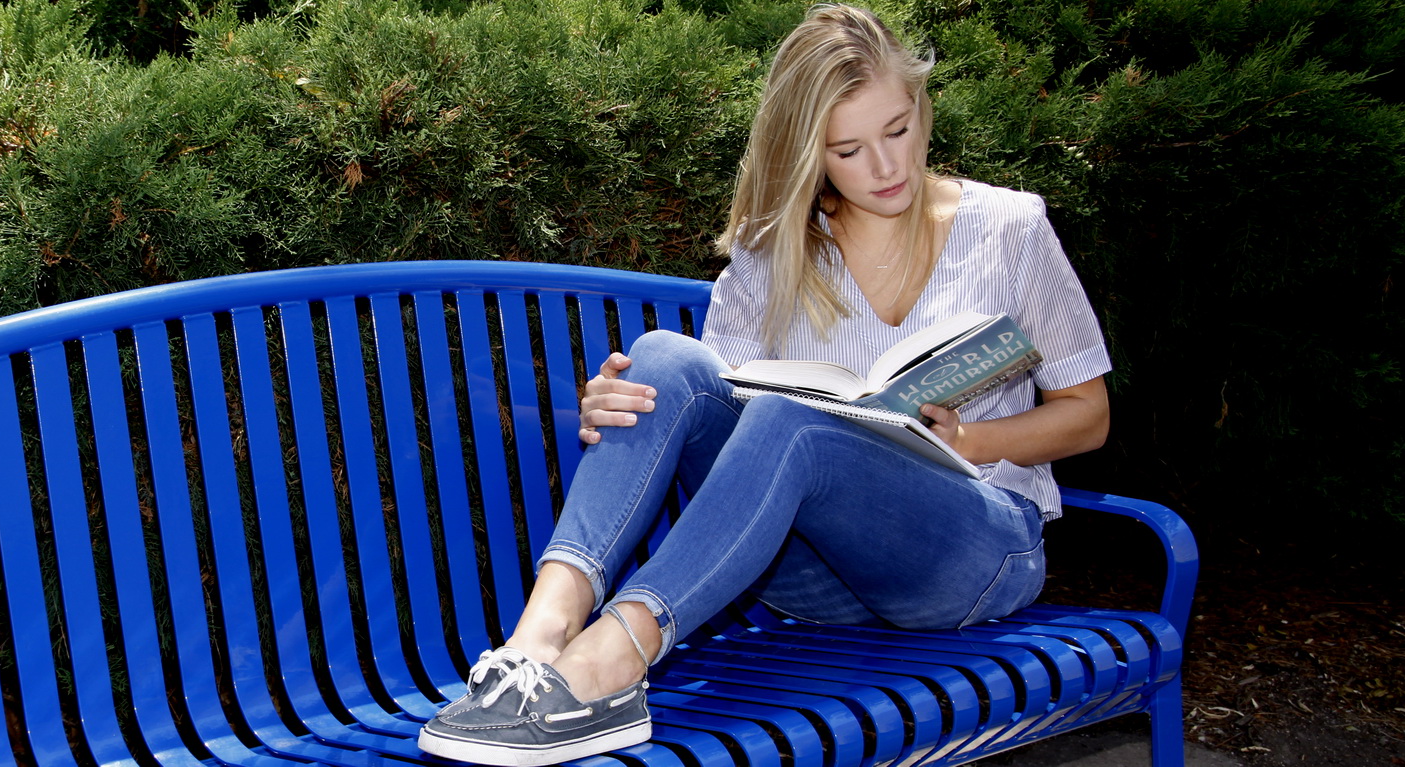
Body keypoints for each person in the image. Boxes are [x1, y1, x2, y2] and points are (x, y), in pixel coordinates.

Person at [416, 4, 1111, 765]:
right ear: (809, 154)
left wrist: (967, 437)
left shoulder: (1009, 229)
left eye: (899, 130)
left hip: (968, 555)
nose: (886, 168)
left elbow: (1087, 415)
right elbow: (709, 399)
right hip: (812, 576)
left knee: (793, 424)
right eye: (848, 150)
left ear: (921, 107)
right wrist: (612, 402)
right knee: (664, 359)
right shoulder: (774, 250)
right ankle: (539, 636)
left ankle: (614, 659)